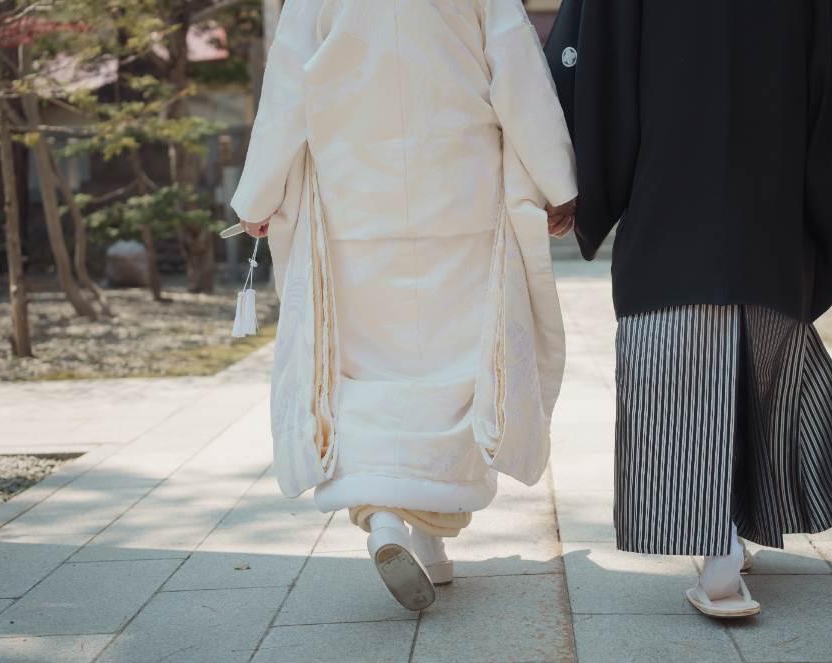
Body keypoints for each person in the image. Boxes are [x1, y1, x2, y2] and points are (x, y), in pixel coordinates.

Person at [544, 0, 832, 617]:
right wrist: (821, 194)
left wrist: (572, 182)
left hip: (670, 191)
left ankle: (717, 547)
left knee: (677, 360)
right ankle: (730, 528)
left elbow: (595, 59)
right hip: (771, 200)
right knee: (759, 349)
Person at [233, 0, 577, 611]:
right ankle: (430, 541)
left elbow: (287, 88)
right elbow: (519, 73)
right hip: (459, 197)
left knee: (368, 370)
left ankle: (389, 523)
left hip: (356, 211)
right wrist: (559, 181)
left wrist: (256, 196)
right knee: (453, 370)